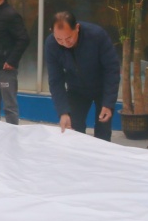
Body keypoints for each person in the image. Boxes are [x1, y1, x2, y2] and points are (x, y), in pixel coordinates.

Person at [45, 11, 121, 141]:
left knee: (103, 131)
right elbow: (55, 80)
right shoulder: (51, 44)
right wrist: (63, 111)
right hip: (76, 89)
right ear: (52, 32)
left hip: (101, 87)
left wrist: (108, 103)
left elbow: (112, 69)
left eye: (69, 38)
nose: (65, 43)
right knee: (73, 128)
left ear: (77, 28)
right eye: (59, 39)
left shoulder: (96, 35)